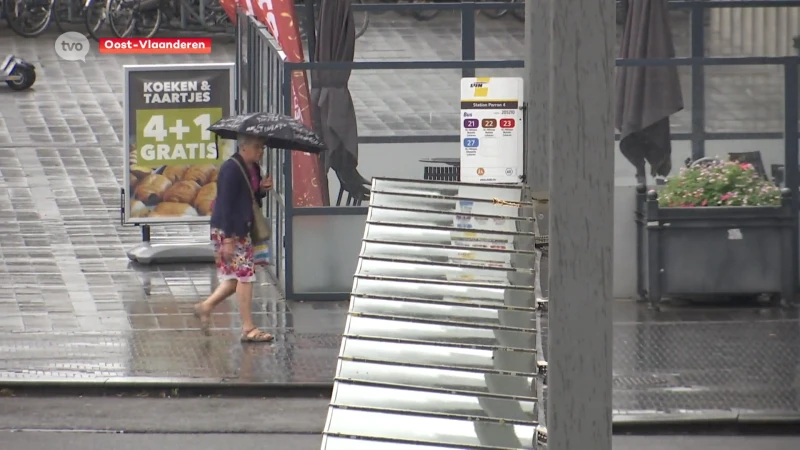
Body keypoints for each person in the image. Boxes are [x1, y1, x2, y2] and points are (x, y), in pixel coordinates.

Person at [194, 134, 274, 342]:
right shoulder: (231, 169)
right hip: (230, 230)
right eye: (257, 147)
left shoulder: (254, 168)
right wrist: (228, 240)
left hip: (240, 229)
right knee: (245, 277)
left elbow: (249, 199)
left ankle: (206, 306)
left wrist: (262, 191)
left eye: (262, 148)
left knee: (233, 279)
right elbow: (226, 205)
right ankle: (248, 328)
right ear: (244, 148)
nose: (261, 151)